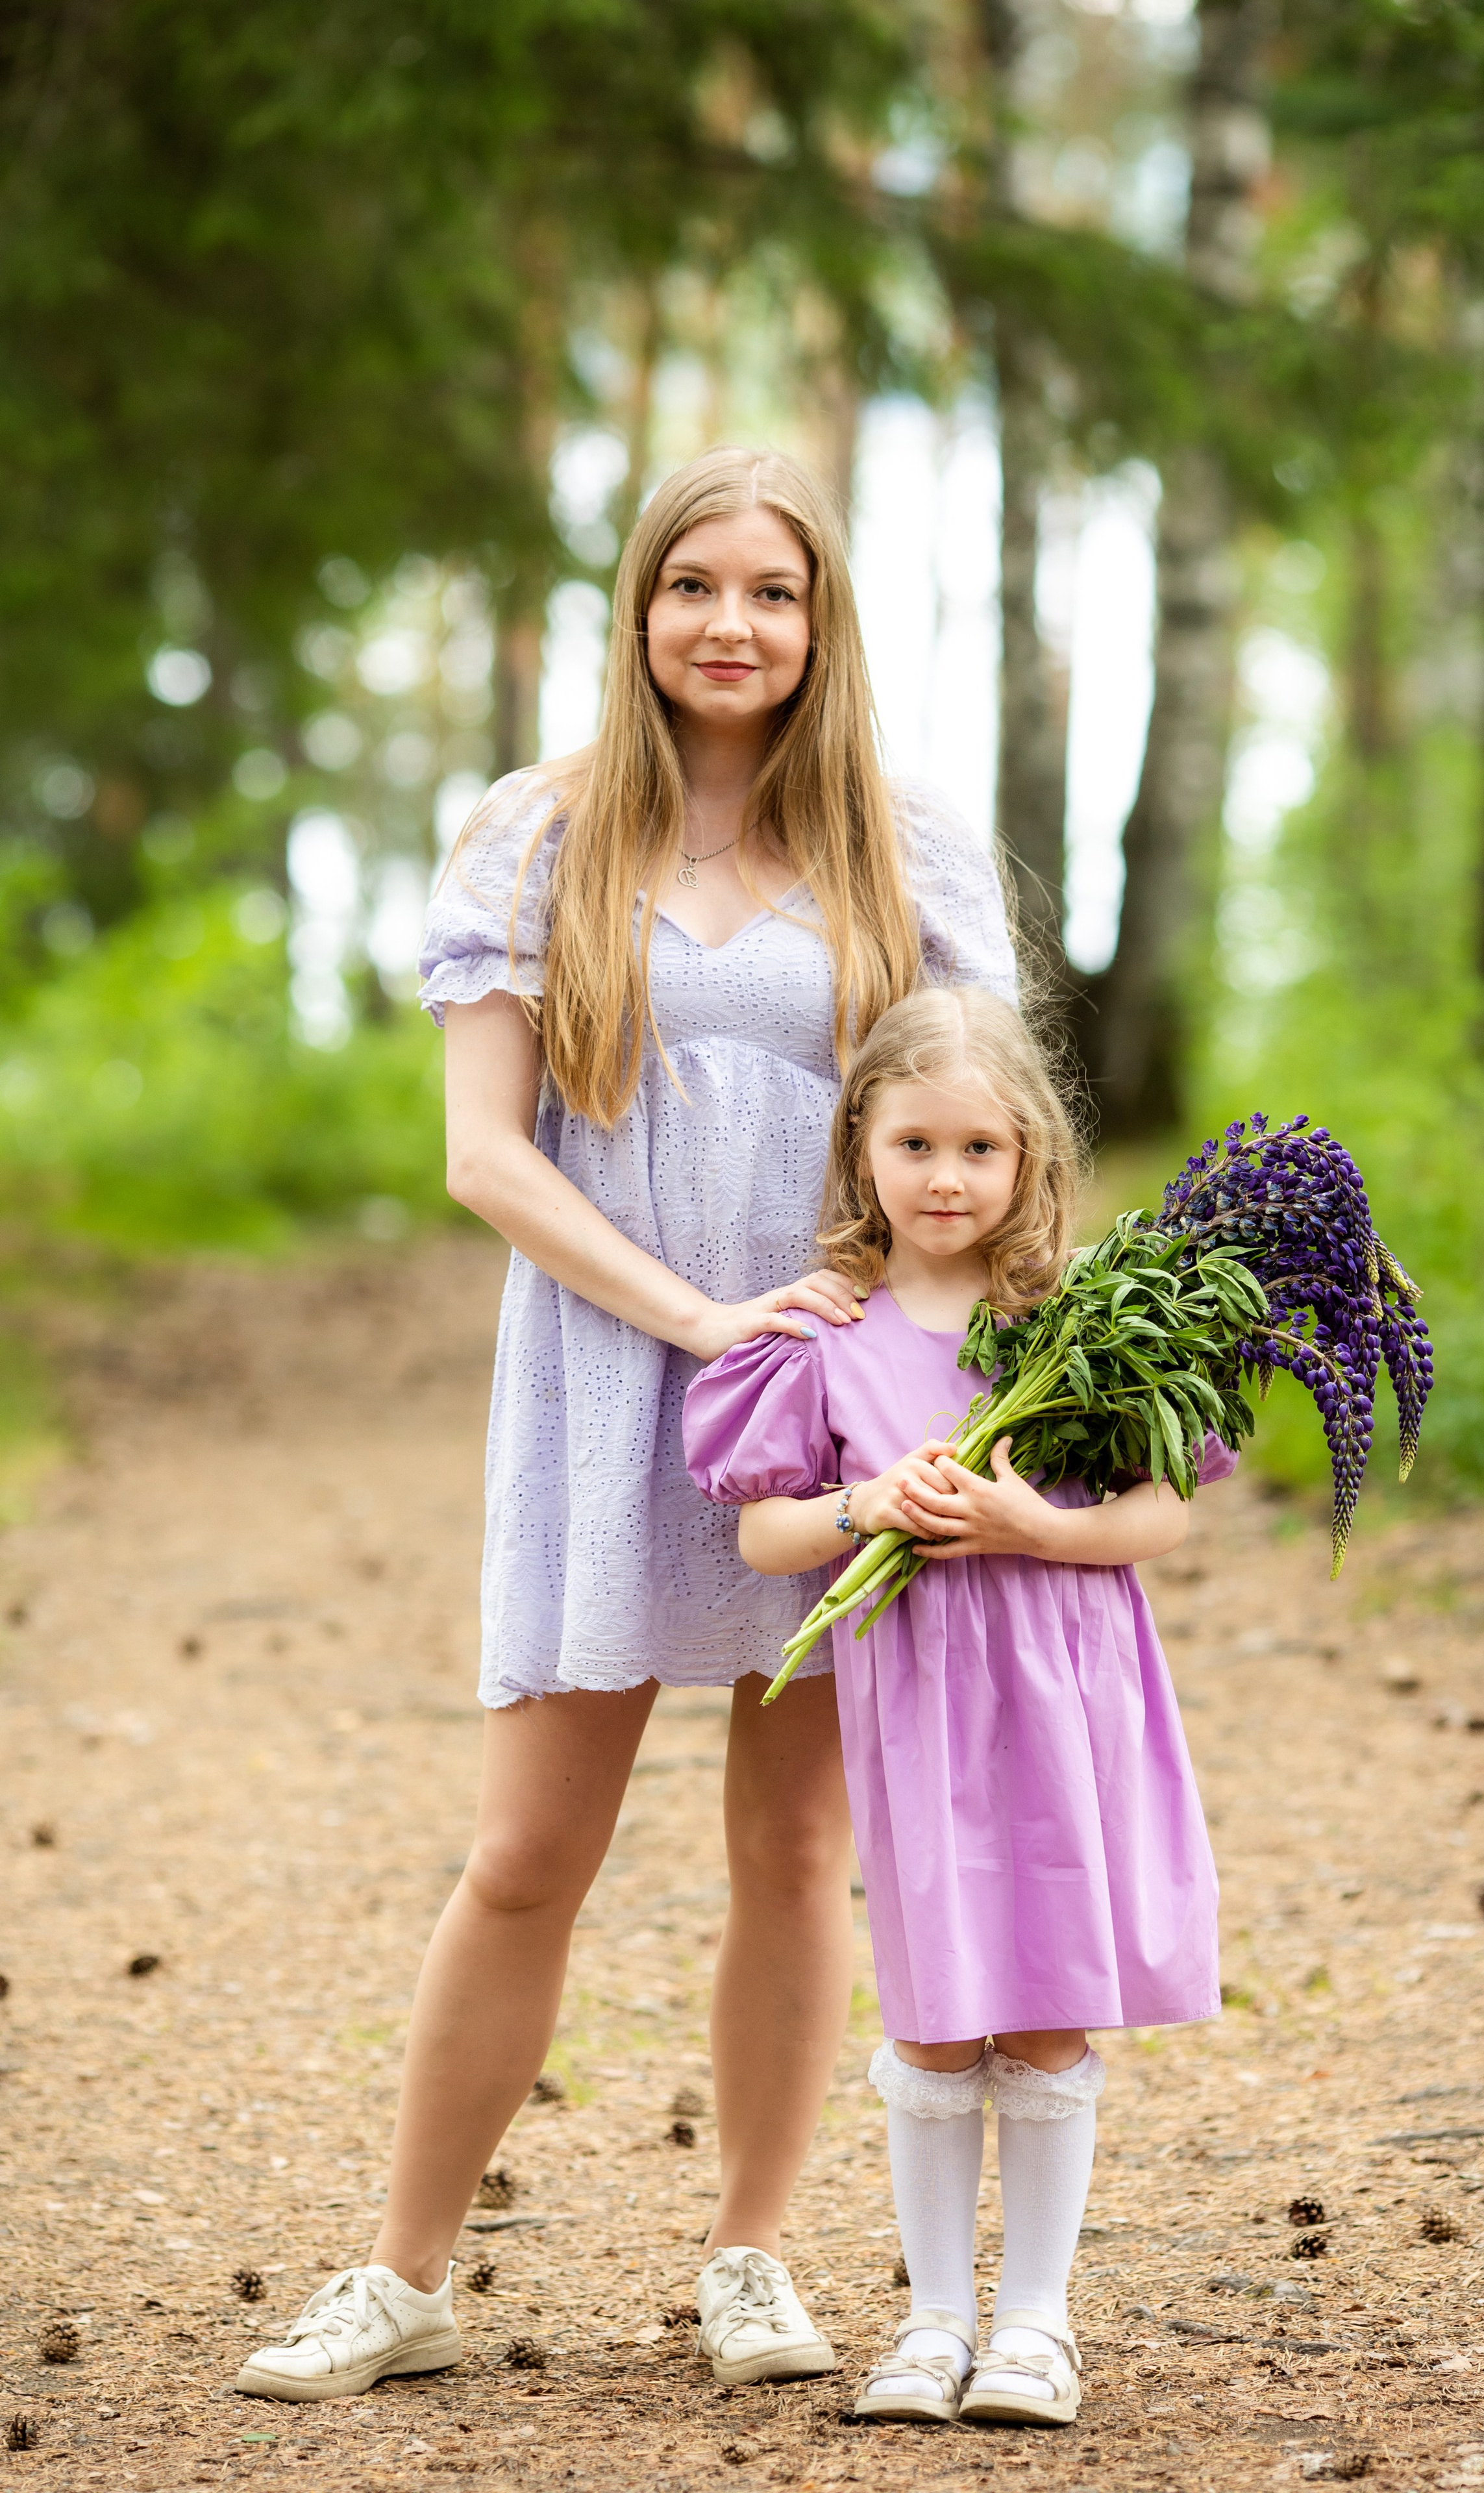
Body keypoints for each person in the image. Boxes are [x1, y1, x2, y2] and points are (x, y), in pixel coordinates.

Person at [234, 448, 1017, 2404]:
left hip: (840, 1398)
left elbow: (978, 1139)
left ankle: (750, 2258)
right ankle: (404, 2277)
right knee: (525, 1850)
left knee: (795, 1846)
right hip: (609, 1379)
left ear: (821, 623)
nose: (730, 624)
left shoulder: (912, 848)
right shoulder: (538, 831)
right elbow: (486, 1158)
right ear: (639, 607)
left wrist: (934, 1359)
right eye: (693, 586)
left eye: (773, 592)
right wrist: (698, 1323)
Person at [682, 986, 1233, 2431]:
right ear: (859, 1149)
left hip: (1064, 1691)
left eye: (979, 1148)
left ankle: (1036, 2324)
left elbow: (1161, 1514)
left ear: (1028, 1155)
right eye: (914, 1144)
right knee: (934, 2014)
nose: (945, 1178)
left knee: (1045, 2005)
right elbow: (763, 1534)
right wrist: (863, 1503)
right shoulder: (824, 1334)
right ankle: (932, 2320)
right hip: (920, 1705)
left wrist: (1031, 1526)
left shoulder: (1083, 1320)